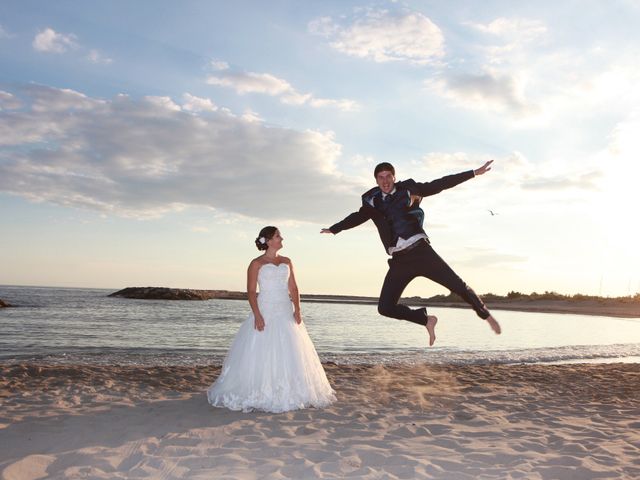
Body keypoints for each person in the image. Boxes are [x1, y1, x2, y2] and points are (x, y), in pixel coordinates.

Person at [321, 160, 501, 346]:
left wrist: (472, 173)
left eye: (388, 176)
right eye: (380, 177)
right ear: (376, 180)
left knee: (458, 285)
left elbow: (439, 184)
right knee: (385, 308)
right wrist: (335, 229)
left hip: (422, 252)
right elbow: (357, 217)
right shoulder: (370, 200)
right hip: (399, 260)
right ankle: (426, 320)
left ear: (394, 177)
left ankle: (487, 316)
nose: (385, 181)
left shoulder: (408, 189)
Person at [207, 226, 336, 412]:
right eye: (277, 236)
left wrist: (298, 309)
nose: (281, 238)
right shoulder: (256, 263)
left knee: (291, 350)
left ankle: (292, 391)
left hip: (285, 310)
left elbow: (294, 288)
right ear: (268, 241)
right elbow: (251, 292)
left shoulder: (287, 261)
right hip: (265, 309)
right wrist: (258, 315)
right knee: (262, 350)